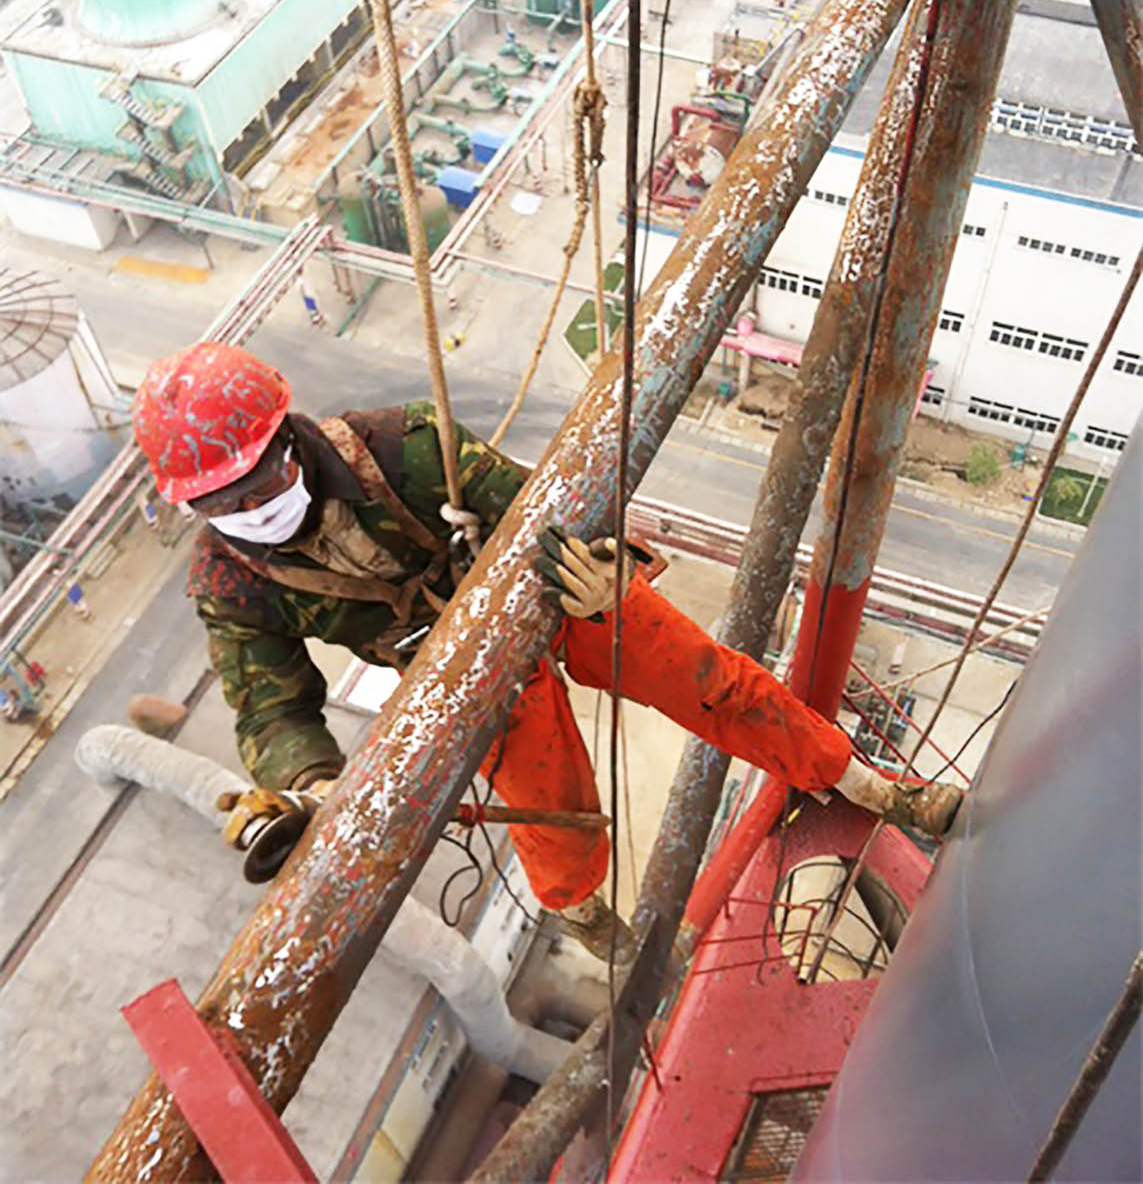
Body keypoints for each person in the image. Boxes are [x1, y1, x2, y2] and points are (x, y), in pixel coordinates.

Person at [132, 343, 961, 959]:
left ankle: (867, 785)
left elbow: (553, 504)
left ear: (289, 441)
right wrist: (310, 783)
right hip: (457, 669)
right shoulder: (229, 577)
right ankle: (588, 917)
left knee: (710, 681)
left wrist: (609, 566)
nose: (250, 509)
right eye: (222, 501)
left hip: (551, 595)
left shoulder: (405, 448)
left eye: (260, 483)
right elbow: (272, 703)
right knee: (549, 805)